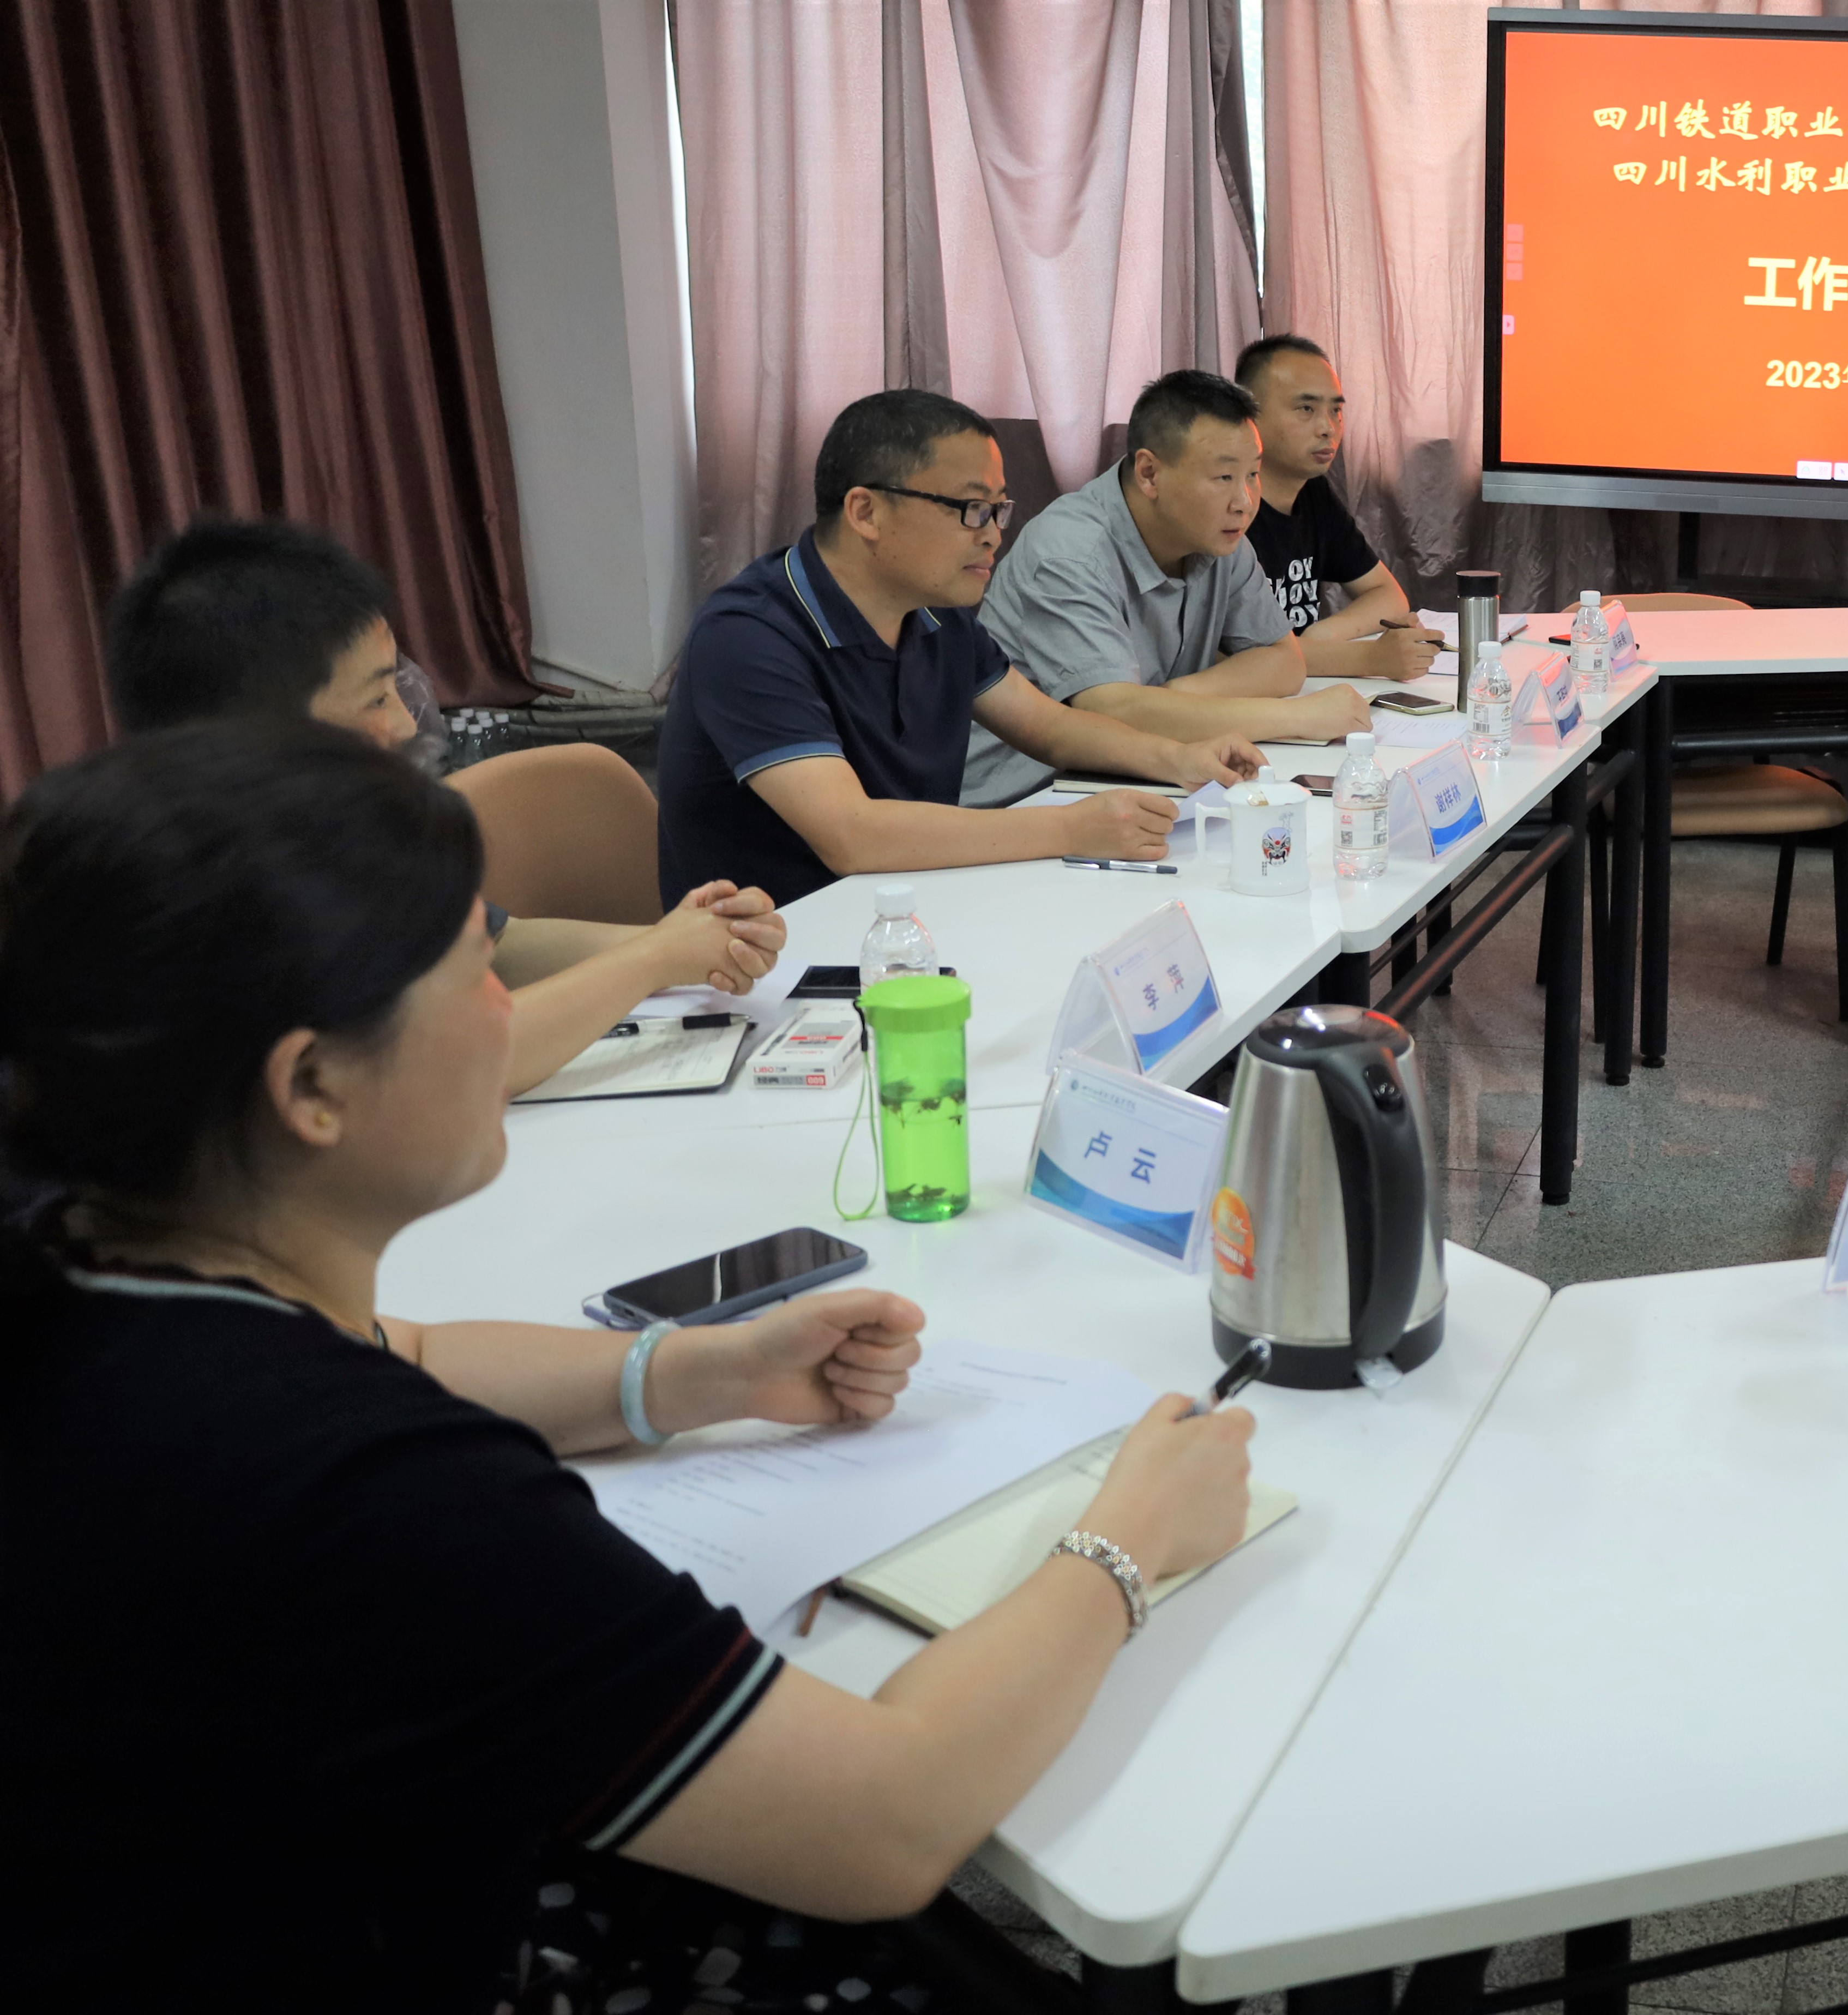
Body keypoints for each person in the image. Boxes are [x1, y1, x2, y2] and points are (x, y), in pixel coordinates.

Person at [3, 723, 1258, 2007]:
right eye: (473, 970)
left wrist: (694, 1372)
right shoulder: (378, 1494)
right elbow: (887, 1815)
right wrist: (1125, 1539)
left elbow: (410, 1351)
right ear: (311, 1084)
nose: (510, 1007)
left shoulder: (84, 1272)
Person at [104, 517, 787, 1097]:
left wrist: (682, 940)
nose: (405, 724)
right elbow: (452, 1063)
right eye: (376, 697)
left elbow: (493, 943)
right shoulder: (204, 896)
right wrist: (649, 961)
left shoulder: (333, 830)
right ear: (261, 732)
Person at [659, 388, 1262, 901]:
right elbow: (852, 835)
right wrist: (1072, 828)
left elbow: (1050, 727)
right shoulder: (749, 635)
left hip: (914, 903)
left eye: (1000, 510)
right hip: (777, 953)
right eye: (973, 509)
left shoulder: (936, 614)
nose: (995, 535)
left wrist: (1178, 759)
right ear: (866, 512)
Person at [965, 369, 1370, 807]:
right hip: (1025, 800)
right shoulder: (1070, 552)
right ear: (1149, 473)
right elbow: (1111, 713)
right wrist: (1296, 718)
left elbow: (1283, 660)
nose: (1245, 502)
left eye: (1254, 474)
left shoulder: (1220, 535)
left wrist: (1169, 700)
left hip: (1144, 779)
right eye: (1223, 477)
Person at [1236, 333, 1444, 684]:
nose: (1328, 428)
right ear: (1249, 416)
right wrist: (1371, 658)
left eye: (1336, 411)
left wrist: (1321, 636)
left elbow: (1389, 596)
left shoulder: (1313, 492)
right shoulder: (1229, 508)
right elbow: (1237, 655)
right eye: (1306, 409)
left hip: (1302, 686)